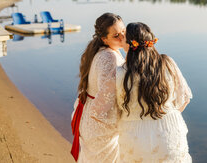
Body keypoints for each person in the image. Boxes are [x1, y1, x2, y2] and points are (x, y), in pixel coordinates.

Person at [115, 22, 192, 163]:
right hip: (170, 130)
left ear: (130, 45)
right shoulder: (167, 63)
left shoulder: (121, 73)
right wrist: (165, 114)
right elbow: (185, 98)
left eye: (123, 37)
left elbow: (116, 108)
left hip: (134, 135)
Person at [71, 13, 126, 162]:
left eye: (123, 32)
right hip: (100, 123)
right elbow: (109, 96)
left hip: (90, 115)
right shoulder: (110, 57)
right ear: (104, 39)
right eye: (116, 36)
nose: (122, 37)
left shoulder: (100, 51)